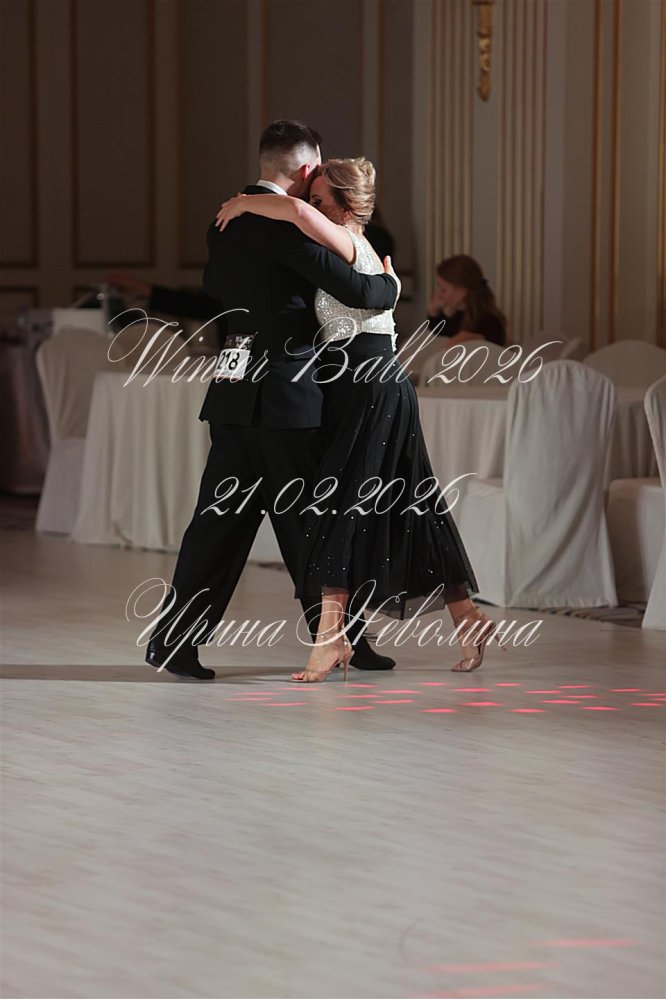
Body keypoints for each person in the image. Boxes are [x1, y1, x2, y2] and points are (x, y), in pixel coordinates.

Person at [216, 158, 505, 683]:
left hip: (370, 387)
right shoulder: (351, 254)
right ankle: (467, 619)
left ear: (346, 207)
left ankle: (331, 640)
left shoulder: (350, 242)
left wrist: (243, 201)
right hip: (368, 388)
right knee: (411, 507)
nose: (310, 204)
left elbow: (295, 213)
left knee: (337, 509)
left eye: (320, 199)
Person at [145, 120, 399, 680]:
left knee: (218, 523)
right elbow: (361, 291)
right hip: (286, 396)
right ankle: (346, 639)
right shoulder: (284, 227)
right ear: (307, 169)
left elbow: (215, 289)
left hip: (233, 390)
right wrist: (391, 283)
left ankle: (172, 641)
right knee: (311, 523)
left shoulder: (224, 221)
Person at [427, 255, 507, 347]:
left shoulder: (489, 321)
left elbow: (492, 345)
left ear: (462, 291)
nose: (439, 295)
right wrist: (433, 311)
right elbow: (439, 331)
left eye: (443, 290)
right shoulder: (458, 317)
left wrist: (470, 337)